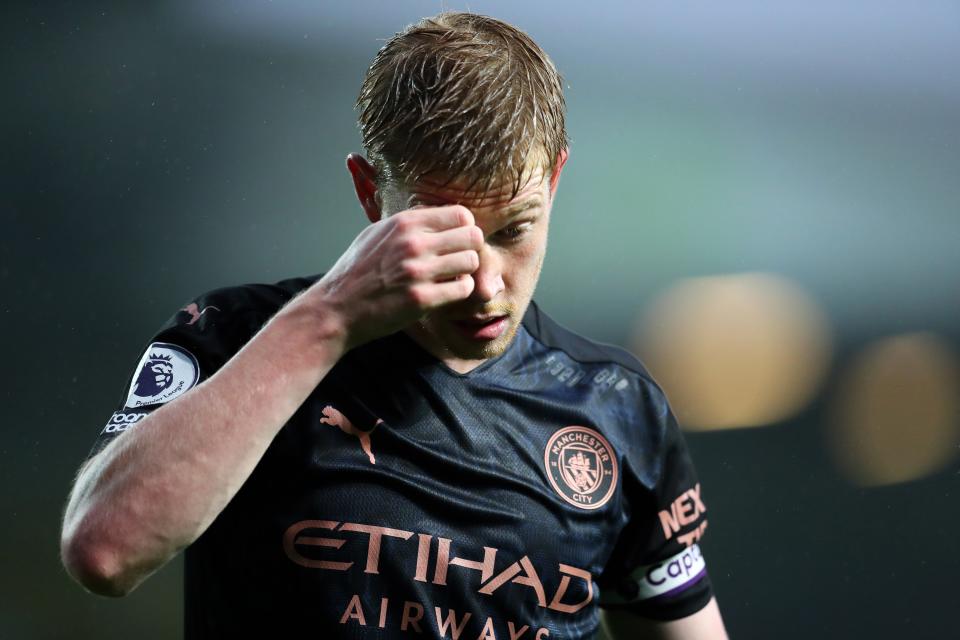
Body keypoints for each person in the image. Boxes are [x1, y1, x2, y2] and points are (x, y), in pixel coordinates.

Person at [60, 11, 727, 639]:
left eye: (514, 230)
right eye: (444, 233)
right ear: (370, 192)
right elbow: (104, 551)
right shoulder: (235, 339)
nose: (484, 285)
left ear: (554, 181)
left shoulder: (616, 409)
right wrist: (328, 318)